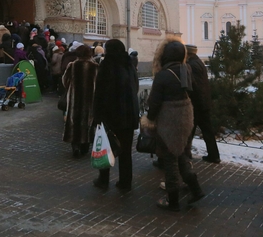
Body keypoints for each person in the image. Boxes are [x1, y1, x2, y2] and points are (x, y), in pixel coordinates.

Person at [147, 38, 205, 211]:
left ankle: (172, 200)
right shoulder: (186, 69)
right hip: (185, 115)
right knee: (180, 153)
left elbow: (155, 101)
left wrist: (150, 118)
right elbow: (193, 91)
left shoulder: (163, 74)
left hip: (169, 118)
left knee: (170, 158)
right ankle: (195, 189)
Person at [91, 39, 139, 192]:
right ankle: (126, 182)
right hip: (129, 114)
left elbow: (100, 93)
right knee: (125, 151)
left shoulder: (107, 65)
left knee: (106, 146)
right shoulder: (130, 64)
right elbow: (135, 86)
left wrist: (97, 116)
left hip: (111, 115)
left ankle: (103, 180)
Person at [185, 44, 220, 164]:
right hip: (203, 102)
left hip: (197, 104)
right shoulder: (198, 62)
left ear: (187, 53)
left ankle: (185, 154)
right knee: (207, 131)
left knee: (190, 130)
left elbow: (193, 85)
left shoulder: (191, 65)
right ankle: (214, 155)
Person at [62, 45, 98, 158]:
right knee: (88, 121)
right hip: (89, 99)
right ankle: (85, 146)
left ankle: (75, 146)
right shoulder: (95, 67)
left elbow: (64, 80)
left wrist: (71, 88)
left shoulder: (72, 65)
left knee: (74, 120)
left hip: (74, 98)